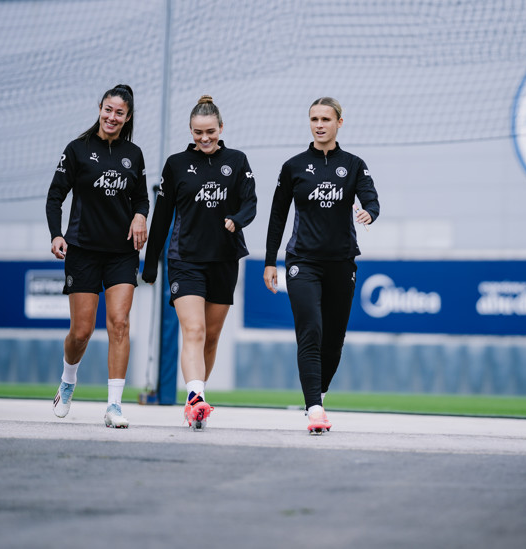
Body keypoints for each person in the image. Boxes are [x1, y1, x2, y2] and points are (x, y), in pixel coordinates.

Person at [263, 97, 379, 434]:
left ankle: (320, 395)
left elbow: (370, 196)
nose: (319, 124)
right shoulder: (294, 166)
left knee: (333, 340)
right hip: (303, 261)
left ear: (339, 122)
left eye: (326, 119)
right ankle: (314, 407)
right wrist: (270, 261)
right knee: (310, 331)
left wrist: (369, 210)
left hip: (342, 263)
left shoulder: (354, 164)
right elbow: (277, 216)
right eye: (314, 118)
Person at [142, 95, 256, 430]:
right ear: (190, 131)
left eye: (210, 131)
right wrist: (151, 264)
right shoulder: (176, 164)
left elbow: (251, 202)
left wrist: (237, 219)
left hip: (224, 260)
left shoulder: (236, 160)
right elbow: (161, 218)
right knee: (193, 329)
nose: (204, 138)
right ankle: (194, 399)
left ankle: (198, 395)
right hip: (185, 260)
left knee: (211, 336)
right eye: (197, 132)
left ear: (221, 128)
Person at [46, 84, 149, 428]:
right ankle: (68, 381)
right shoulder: (77, 150)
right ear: (100, 109)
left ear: (127, 117)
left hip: (122, 253)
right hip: (83, 251)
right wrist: (56, 234)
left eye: (119, 112)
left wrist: (140, 215)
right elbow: (55, 196)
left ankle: (114, 406)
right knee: (82, 332)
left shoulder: (133, 154)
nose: (112, 117)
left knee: (119, 324)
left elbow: (142, 199)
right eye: (108, 109)